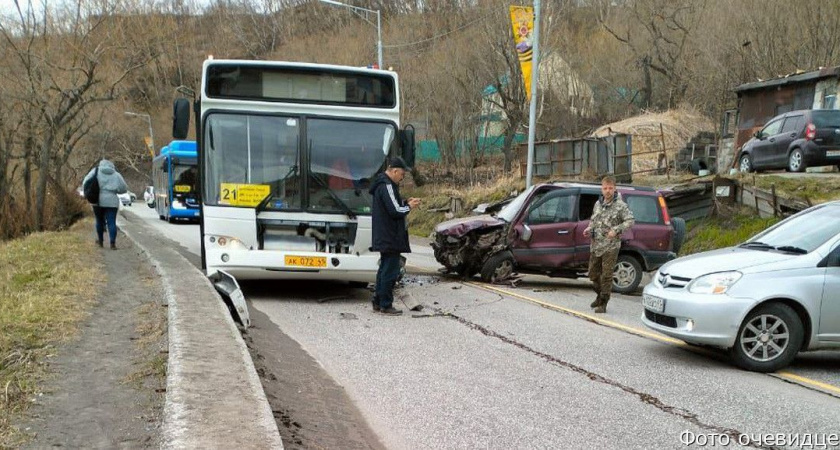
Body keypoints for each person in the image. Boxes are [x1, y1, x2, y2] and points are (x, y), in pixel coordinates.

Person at [369, 157, 421, 315]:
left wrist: (405, 202)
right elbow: (395, 211)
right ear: (395, 170)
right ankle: (385, 303)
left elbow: (393, 206)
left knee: (383, 269)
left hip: (384, 234)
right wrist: (409, 207)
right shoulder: (387, 185)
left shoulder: (382, 184)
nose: (402, 178)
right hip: (390, 235)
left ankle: (378, 301)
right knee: (390, 271)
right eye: (402, 174)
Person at [583, 175, 634, 313]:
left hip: (611, 246)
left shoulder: (620, 206)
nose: (608, 191)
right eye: (605, 188)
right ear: (601, 189)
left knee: (606, 276)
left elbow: (630, 221)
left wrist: (616, 230)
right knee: (593, 274)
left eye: (610, 188)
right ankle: (600, 296)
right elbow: (594, 220)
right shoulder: (598, 204)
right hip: (596, 245)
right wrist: (589, 228)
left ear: (615, 188)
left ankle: (603, 303)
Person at [82, 159, 128, 250]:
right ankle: (112, 243)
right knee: (111, 222)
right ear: (112, 165)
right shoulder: (116, 175)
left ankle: (100, 241)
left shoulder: (95, 171)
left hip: (97, 200)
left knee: (99, 221)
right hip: (112, 201)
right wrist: (115, 190)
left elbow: (85, 182)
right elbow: (124, 189)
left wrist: (88, 192)